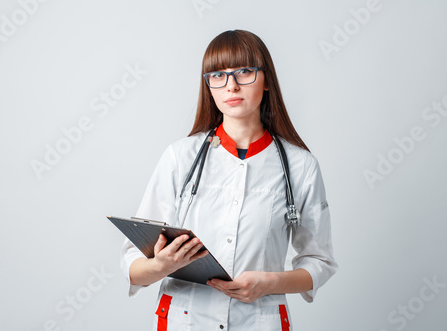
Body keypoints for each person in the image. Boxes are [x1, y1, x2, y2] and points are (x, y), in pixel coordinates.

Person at [120, 29, 337, 330]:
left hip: (258, 320)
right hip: (186, 319)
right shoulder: (180, 157)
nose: (231, 86)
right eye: (218, 75)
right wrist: (159, 266)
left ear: (267, 81)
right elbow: (133, 264)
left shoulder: (300, 166)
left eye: (245, 72)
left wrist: (270, 283)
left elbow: (320, 261)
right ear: (208, 85)